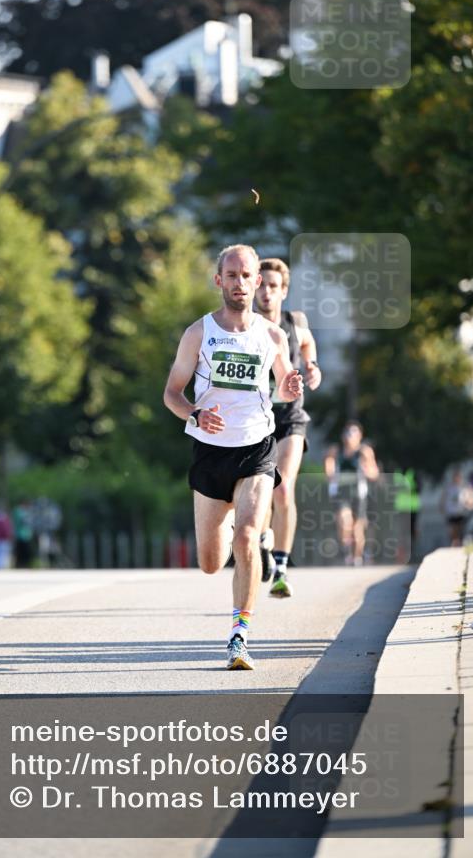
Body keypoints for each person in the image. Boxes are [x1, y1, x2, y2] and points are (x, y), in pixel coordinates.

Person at [163, 244, 303, 670]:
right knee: (210, 563)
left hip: (257, 449)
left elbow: (281, 387)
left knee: (246, 537)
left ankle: (239, 636)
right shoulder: (198, 333)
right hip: (210, 453)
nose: (240, 283)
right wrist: (195, 414)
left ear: (257, 281)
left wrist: (290, 388)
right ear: (218, 280)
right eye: (232, 275)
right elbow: (172, 393)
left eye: (247, 275)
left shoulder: (273, 335)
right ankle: (231, 528)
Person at [255, 258, 322, 597]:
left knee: (282, 488)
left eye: (273, 286)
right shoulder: (243, 325)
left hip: (291, 417)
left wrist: (311, 366)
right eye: (261, 284)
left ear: (284, 290)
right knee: (260, 491)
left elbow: (308, 344)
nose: (266, 292)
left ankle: (281, 568)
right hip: (255, 420)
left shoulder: (295, 322)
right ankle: (263, 544)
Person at [324, 421, 379, 566]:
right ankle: (346, 550)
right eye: (348, 433)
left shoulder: (365, 452)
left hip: (358, 494)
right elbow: (328, 465)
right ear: (343, 436)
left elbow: (374, 473)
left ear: (359, 436)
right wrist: (330, 473)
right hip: (341, 492)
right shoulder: (336, 450)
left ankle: (357, 558)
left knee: (357, 529)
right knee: (344, 520)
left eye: (354, 433)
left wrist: (367, 471)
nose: (350, 436)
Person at [441, 469, 473, 547]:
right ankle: (454, 542)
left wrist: (470, 504)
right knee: (452, 529)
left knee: (460, 529)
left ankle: (459, 542)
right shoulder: (449, 487)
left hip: (461, 512)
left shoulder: (465, 487)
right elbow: (443, 498)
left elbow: (471, 498)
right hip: (451, 512)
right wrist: (442, 507)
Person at [12, 498, 35, 568]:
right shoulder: (19, 511)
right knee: (21, 553)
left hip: (26, 535)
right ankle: (21, 565)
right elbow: (23, 521)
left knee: (25, 553)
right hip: (21, 535)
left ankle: (25, 565)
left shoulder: (24, 511)